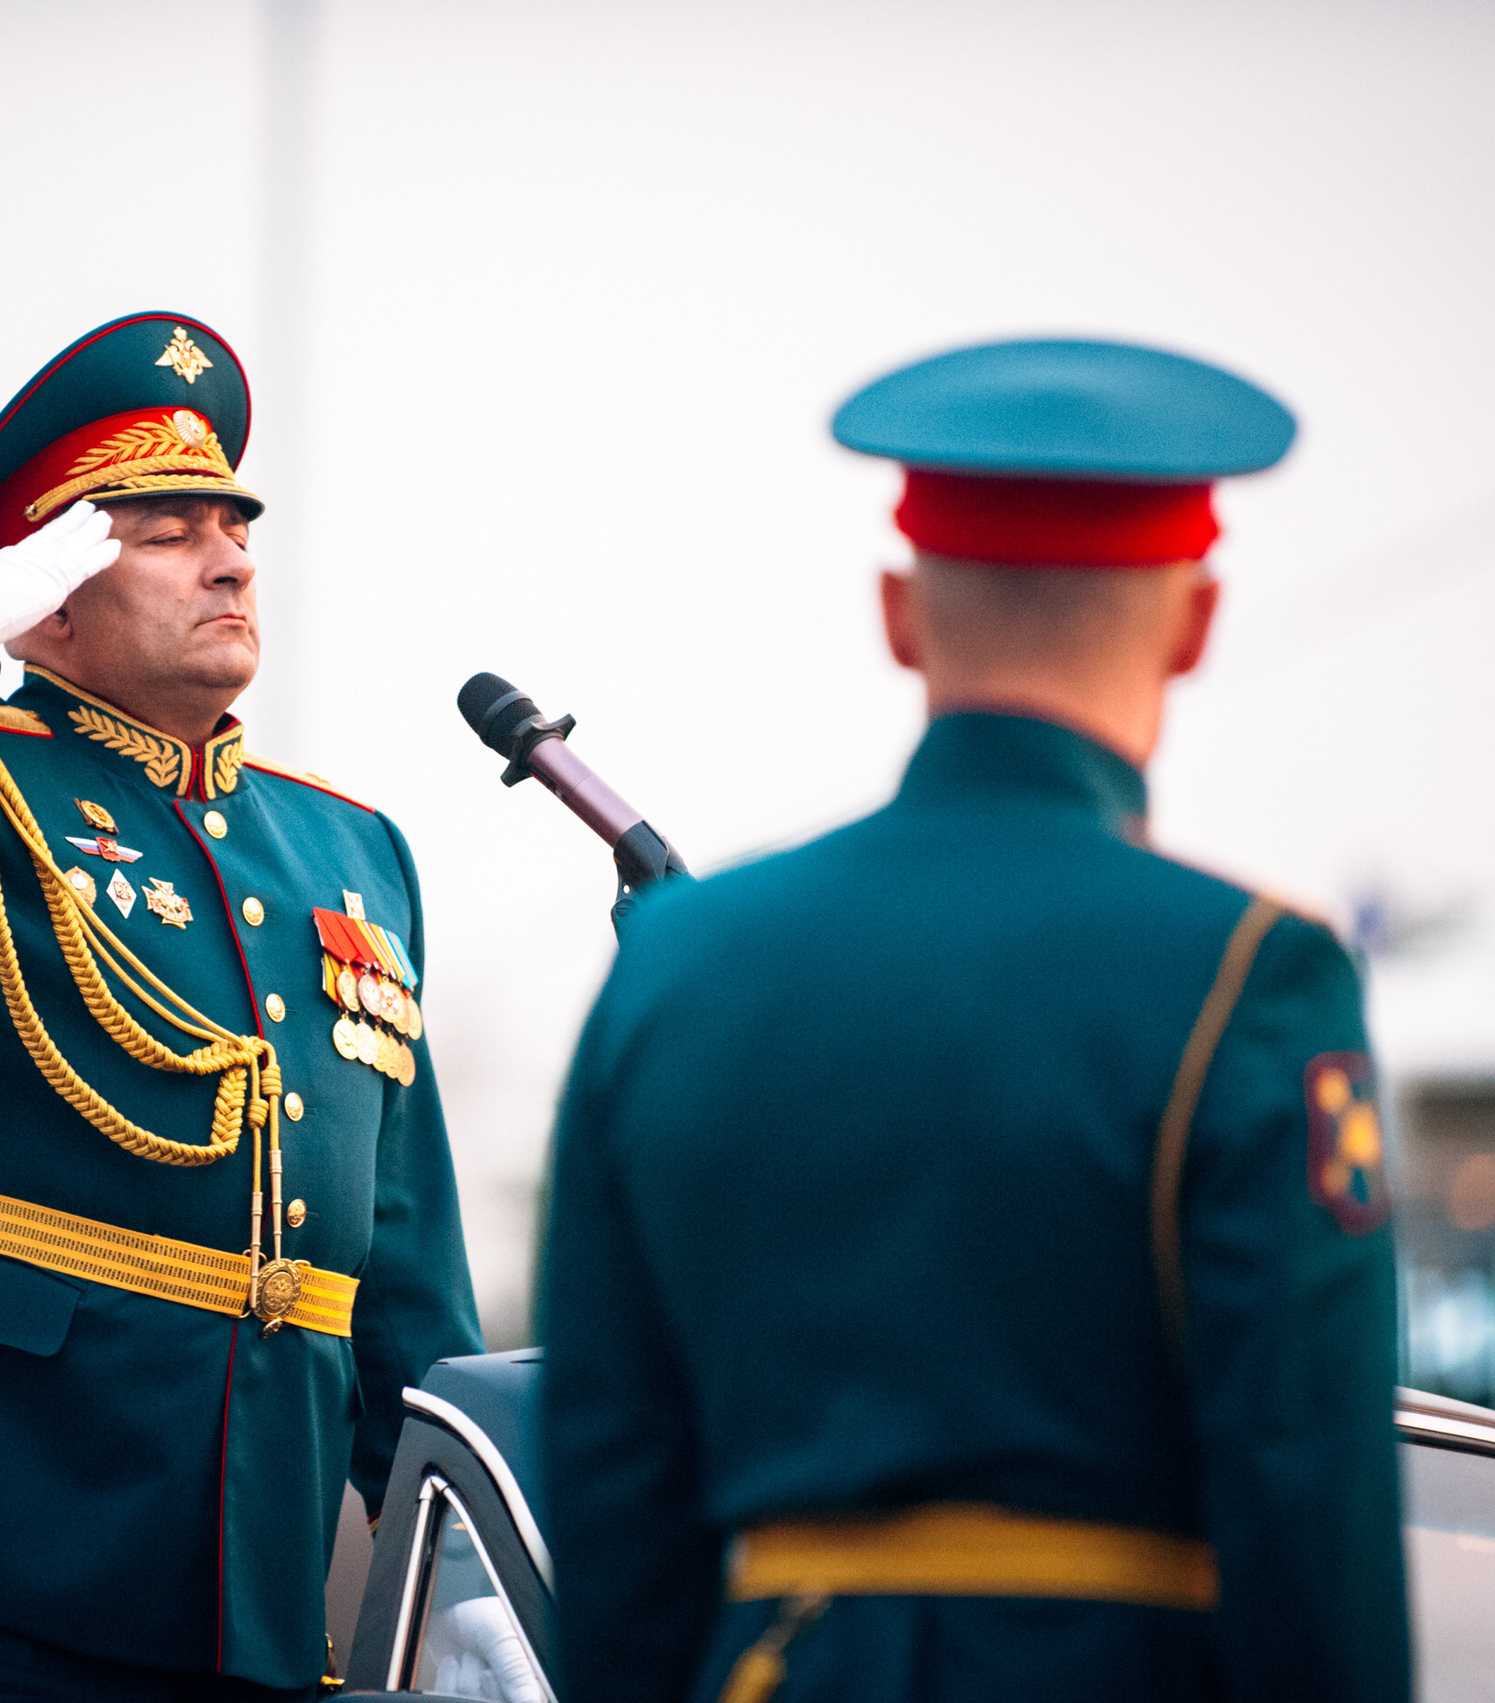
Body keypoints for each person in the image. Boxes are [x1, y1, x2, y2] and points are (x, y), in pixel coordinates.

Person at [538, 339, 1408, 1703]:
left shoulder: (679, 966)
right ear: (1196, 623)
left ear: (898, 614)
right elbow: (1311, 1502)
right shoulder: (1254, 972)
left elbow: (607, 1486)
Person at [0, 311, 480, 1702]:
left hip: (254, 1542)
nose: (234, 557)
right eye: (169, 531)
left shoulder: (351, 848)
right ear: (48, 595)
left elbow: (401, 1249)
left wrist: (465, 1541)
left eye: (234, 525)